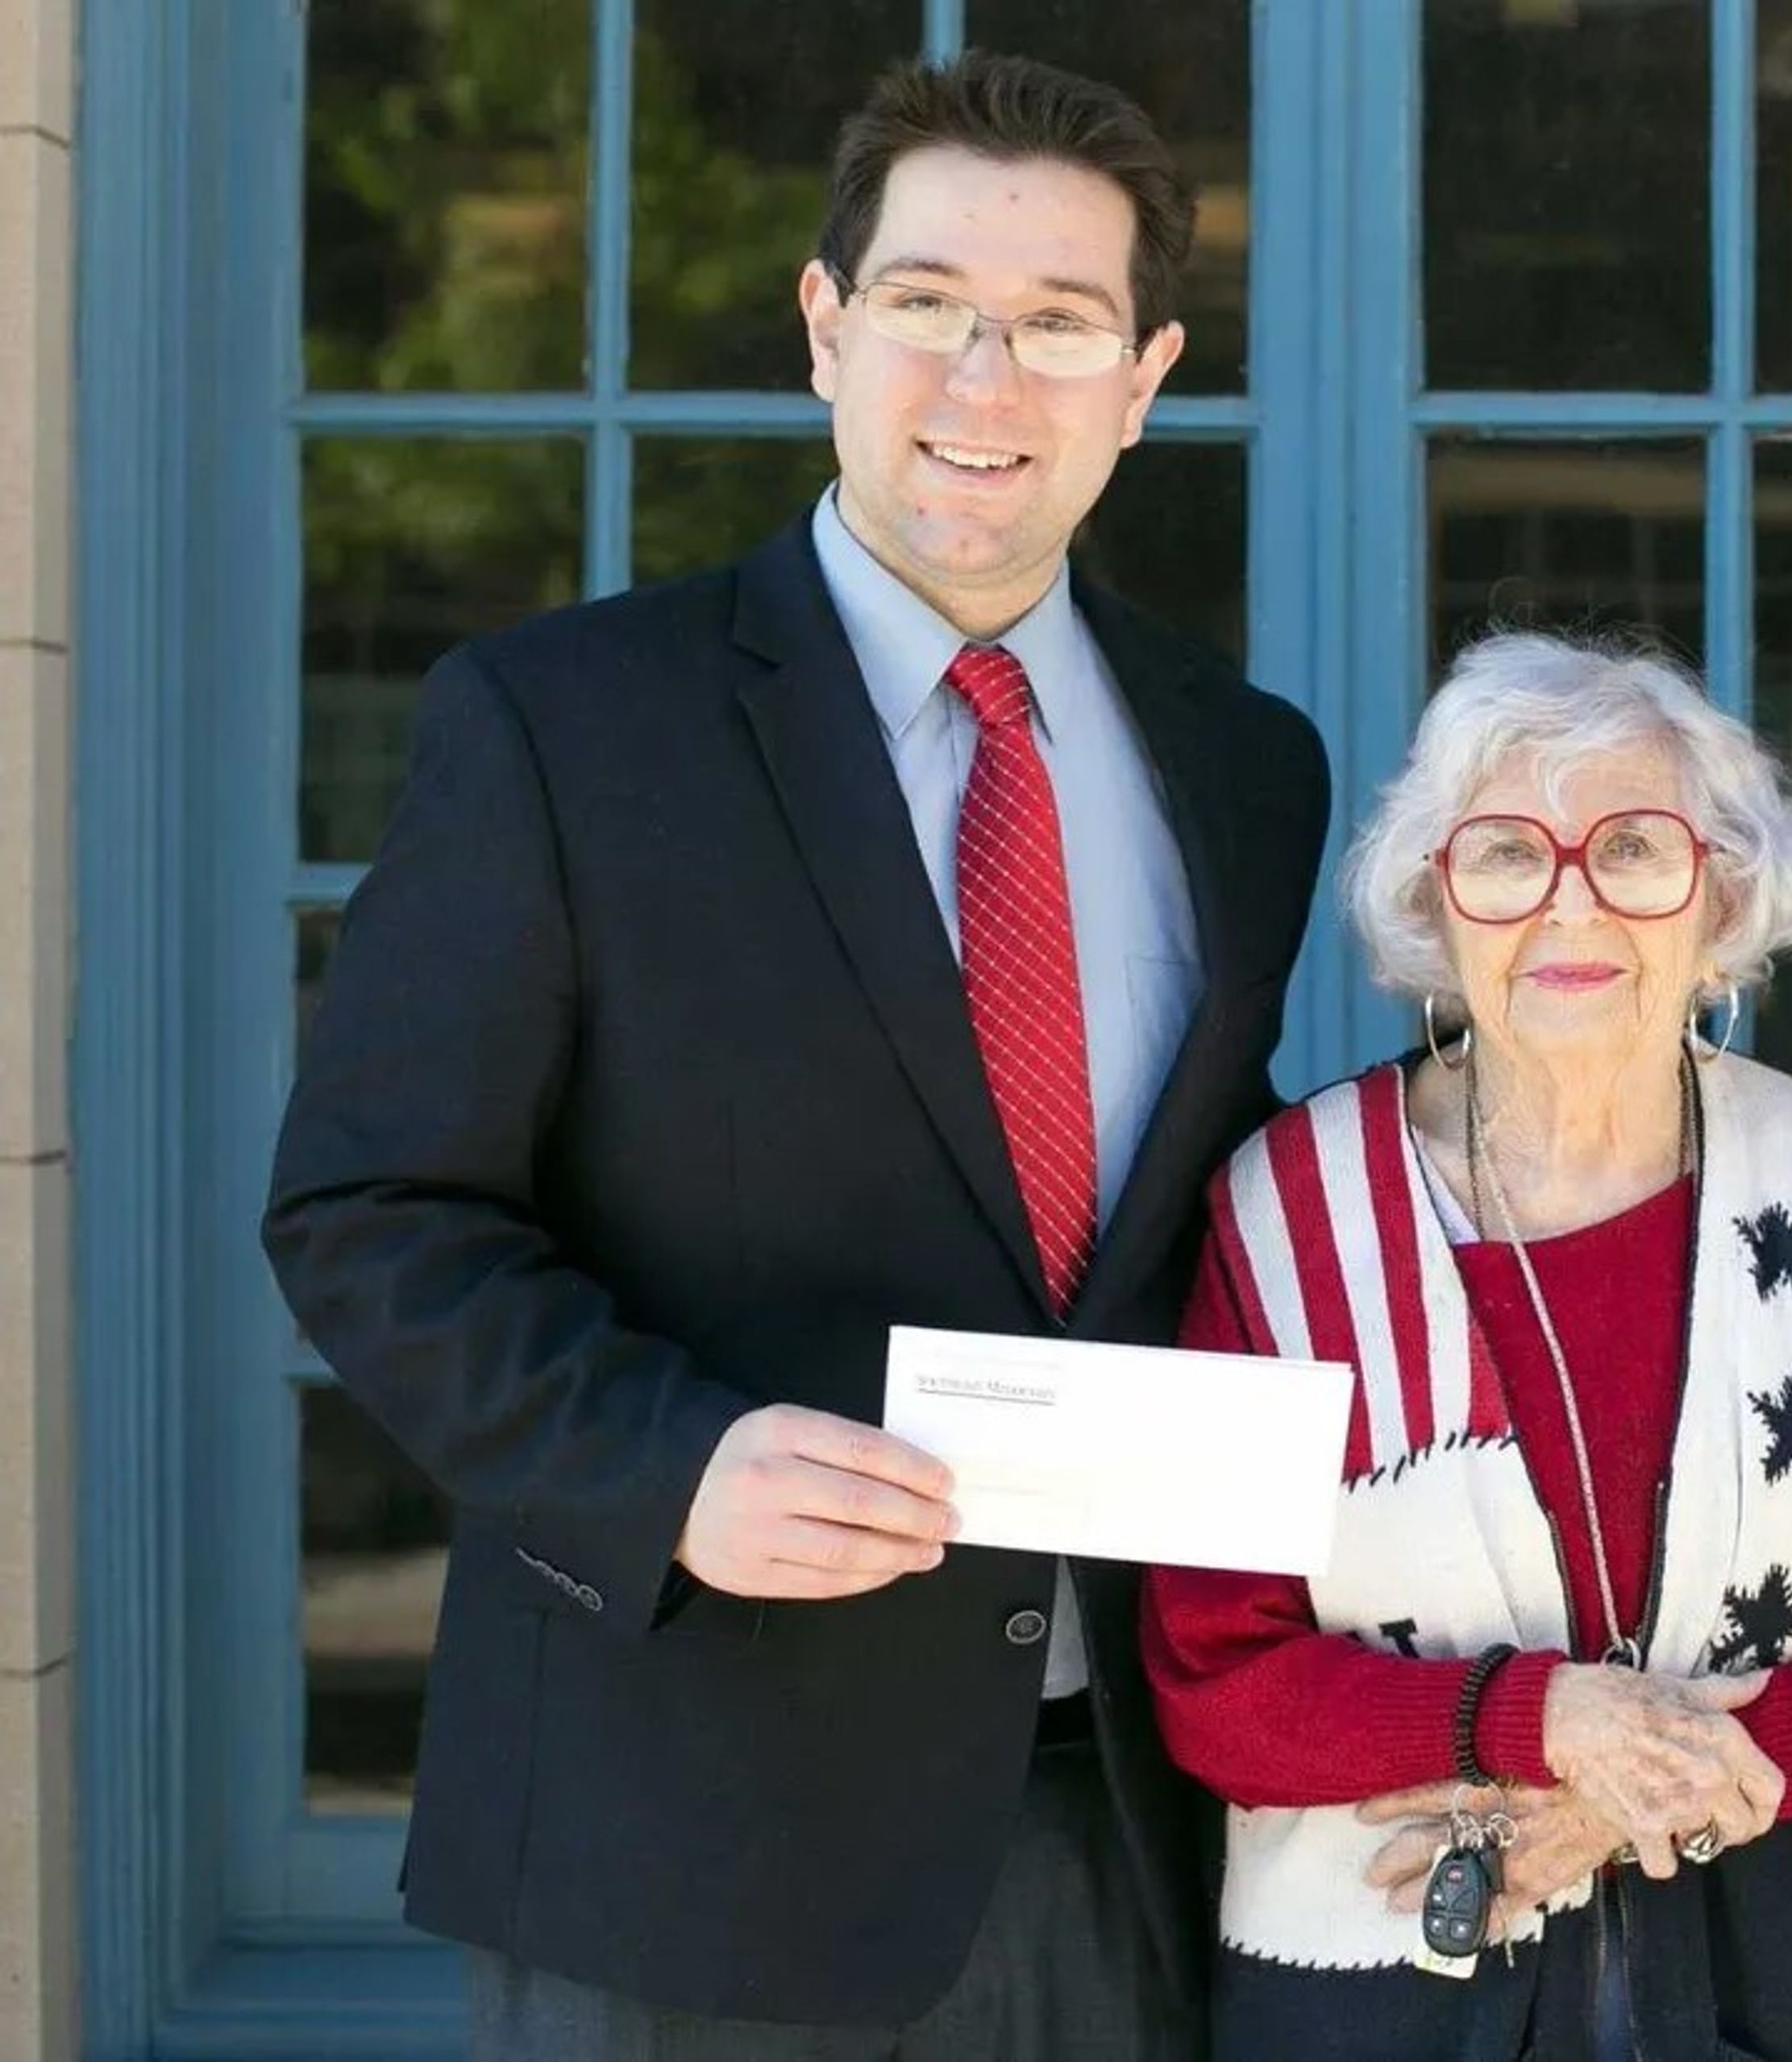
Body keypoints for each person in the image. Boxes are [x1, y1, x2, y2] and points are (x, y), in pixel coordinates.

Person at [262, 52, 1328, 2060]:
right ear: (827, 326)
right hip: (682, 1827)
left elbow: (1207, 1219)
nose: (984, 379)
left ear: (1148, 371)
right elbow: (372, 1212)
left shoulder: (1245, 766)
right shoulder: (563, 724)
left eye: (1056, 323)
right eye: (927, 303)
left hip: (1126, 1824)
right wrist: (667, 1469)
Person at [1141, 632, 1792, 2057]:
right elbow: (1219, 1683)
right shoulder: (1290, 1210)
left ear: (1719, 894)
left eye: (1631, 849)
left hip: (1783, 1980)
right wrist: (1544, 1718)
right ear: (1436, 899)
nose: (1570, 906)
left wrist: (1625, 1786)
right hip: (1385, 1996)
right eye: (1504, 855)